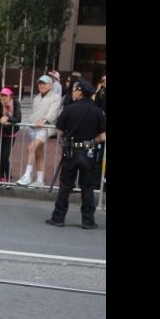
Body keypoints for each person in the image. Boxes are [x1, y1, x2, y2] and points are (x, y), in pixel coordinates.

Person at [46, 79, 106, 229]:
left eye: (74, 90)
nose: (72, 92)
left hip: (71, 152)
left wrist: (65, 141)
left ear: (80, 92)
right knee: (87, 187)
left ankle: (58, 218)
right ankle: (88, 221)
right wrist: (91, 142)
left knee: (65, 186)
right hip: (89, 152)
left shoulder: (69, 109)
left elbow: (60, 132)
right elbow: (103, 136)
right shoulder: (98, 111)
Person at [16, 74, 61, 188]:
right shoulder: (36, 98)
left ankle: (27, 175)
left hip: (45, 128)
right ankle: (40, 180)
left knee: (31, 148)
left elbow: (53, 112)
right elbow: (35, 113)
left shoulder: (55, 97)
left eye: (44, 83)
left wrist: (44, 120)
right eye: (40, 83)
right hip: (33, 127)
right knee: (38, 154)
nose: (41, 85)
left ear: (50, 85)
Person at [0, 87, 22, 187]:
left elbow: (18, 119)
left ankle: (8, 179)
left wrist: (8, 118)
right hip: (0, 132)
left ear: (10, 96)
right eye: (1, 95)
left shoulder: (15, 103)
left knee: (5, 156)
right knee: (0, 156)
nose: (3, 97)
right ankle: (1, 178)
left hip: (11, 134)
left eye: (5, 95)